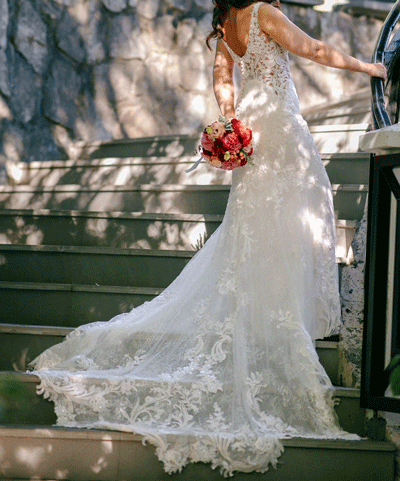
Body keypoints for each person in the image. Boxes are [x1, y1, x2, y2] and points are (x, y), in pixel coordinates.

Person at [30, 0, 387, 477]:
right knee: (295, 218)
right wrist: (369, 66)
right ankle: (282, 321)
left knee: (256, 229)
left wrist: (231, 123)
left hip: (252, 133)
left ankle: (272, 313)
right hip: (279, 132)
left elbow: (223, 79)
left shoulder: (226, 23)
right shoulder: (263, 11)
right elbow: (313, 49)